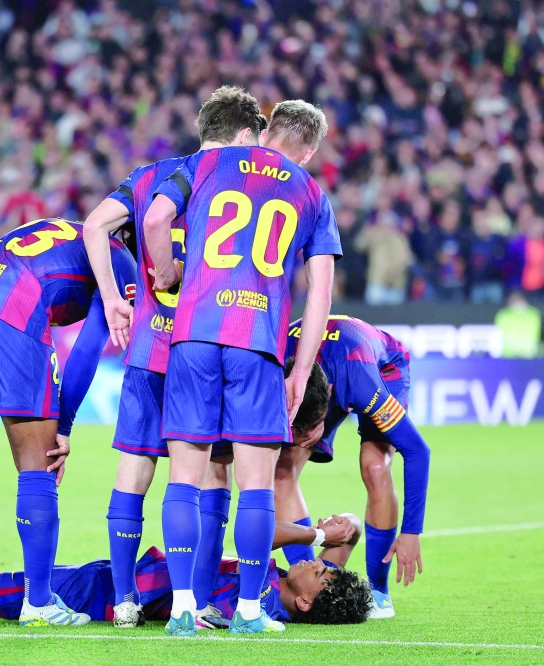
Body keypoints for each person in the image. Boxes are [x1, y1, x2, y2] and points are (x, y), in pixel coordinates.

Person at [144, 99, 341, 635]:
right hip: (257, 343)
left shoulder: (207, 162)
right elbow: (320, 293)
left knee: (185, 478)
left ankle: (183, 608)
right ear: (309, 150)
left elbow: (156, 217)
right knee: (255, 485)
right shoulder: (311, 192)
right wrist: (300, 371)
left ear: (265, 129)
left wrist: (167, 272)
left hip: (194, 335)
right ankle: (249, 612)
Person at [81, 86, 266, 629]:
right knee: (212, 475)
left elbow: (93, 226)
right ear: (243, 134)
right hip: (207, 345)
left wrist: (112, 297)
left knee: (134, 470)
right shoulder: (239, 182)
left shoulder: (149, 176)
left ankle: (125, 600)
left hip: (148, 347)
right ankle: (198, 600)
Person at [0, 218, 136, 628]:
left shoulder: (69, 228)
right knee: (38, 465)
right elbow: (89, 346)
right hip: (14, 301)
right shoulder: (121, 258)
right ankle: (38, 602)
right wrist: (64, 426)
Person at [0, 513, 369, 626]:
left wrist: (317, 535)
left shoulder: (259, 599)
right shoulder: (275, 591)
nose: (318, 565)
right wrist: (341, 540)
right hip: (112, 582)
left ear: (306, 601)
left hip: (97, 593)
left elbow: (253, 531)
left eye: (321, 574)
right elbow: (332, 565)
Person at [279, 316, 431, 620]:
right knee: (282, 469)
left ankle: (379, 591)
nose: (308, 434)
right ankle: (309, 585)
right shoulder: (277, 367)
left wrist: (411, 532)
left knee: (374, 466)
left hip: (379, 368)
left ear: (330, 393)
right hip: (309, 373)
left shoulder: (360, 382)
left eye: (316, 422)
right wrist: (298, 429)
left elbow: (417, 450)